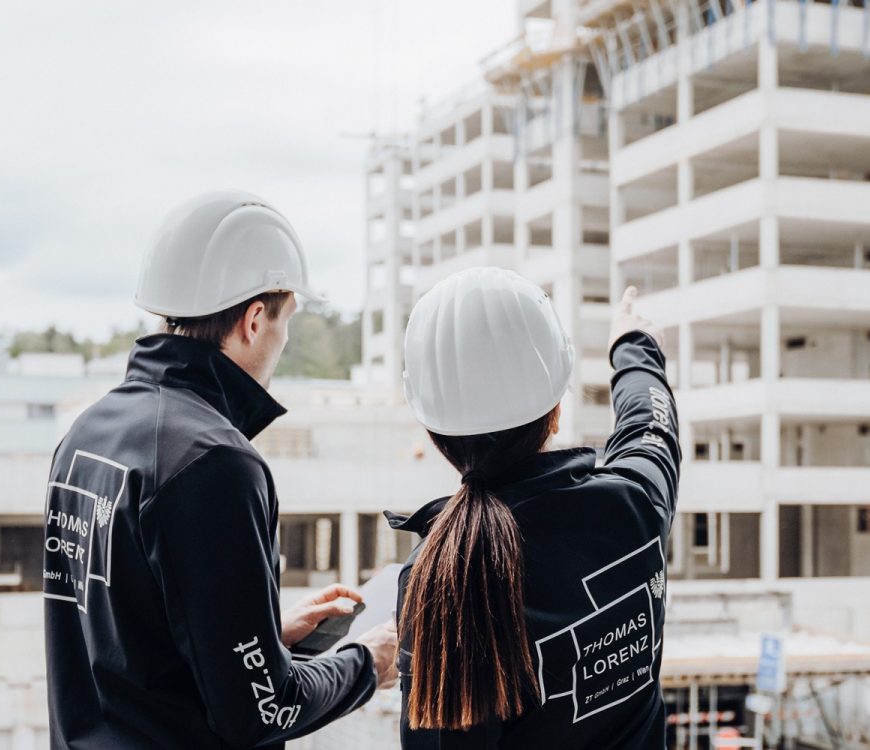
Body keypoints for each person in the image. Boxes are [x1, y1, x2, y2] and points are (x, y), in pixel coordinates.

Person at [43, 191, 399, 748]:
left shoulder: (87, 436)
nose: (283, 343)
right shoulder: (214, 463)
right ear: (255, 320)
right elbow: (264, 711)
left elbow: (127, 655)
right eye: (287, 325)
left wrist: (262, 638)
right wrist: (366, 664)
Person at [386, 267, 679, 749]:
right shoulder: (632, 505)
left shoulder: (441, 576)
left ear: (434, 434)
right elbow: (651, 428)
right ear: (556, 411)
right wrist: (635, 345)